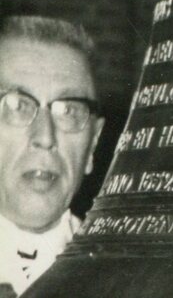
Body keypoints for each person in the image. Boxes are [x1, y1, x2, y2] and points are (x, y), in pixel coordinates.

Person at [0, 16, 104, 296]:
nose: (45, 137)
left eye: (69, 111)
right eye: (17, 106)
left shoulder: (123, 274)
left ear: (93, 144)